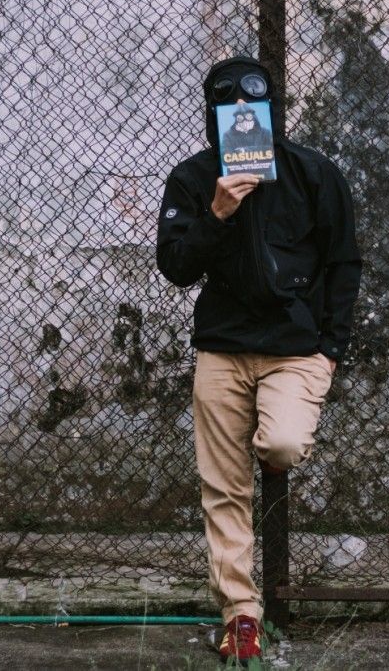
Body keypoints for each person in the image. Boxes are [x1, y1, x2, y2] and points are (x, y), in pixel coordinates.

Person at [156, 54, 362, 665]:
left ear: (271, 110)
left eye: (254, 104)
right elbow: (175, 267)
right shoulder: (194, 178)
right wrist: (217, 213)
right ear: (213, 114)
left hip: (295, 350)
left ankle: (269, 450)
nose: (242, 115)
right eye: (229, 106)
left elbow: (344, 263)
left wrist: (331, 350)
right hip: (222, 347)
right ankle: (241, 616)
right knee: (223, 486)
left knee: (283, 445)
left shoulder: (312, 173)